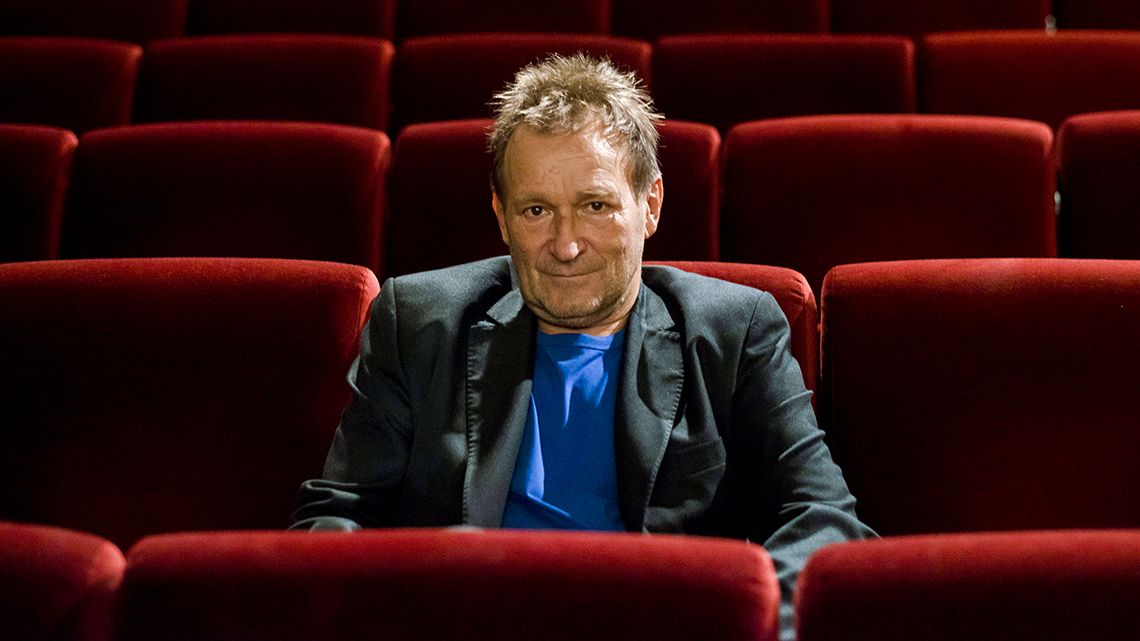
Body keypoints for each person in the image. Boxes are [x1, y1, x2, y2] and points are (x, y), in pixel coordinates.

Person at [291, 53, 874, 639]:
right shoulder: (419, 322)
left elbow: (821, 519)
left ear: (650, 205)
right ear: (501, 216)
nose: (565, 245)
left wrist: (749, 626)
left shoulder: (735, 330)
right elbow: (339, 516)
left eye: (595, 206)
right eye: (537, 210)